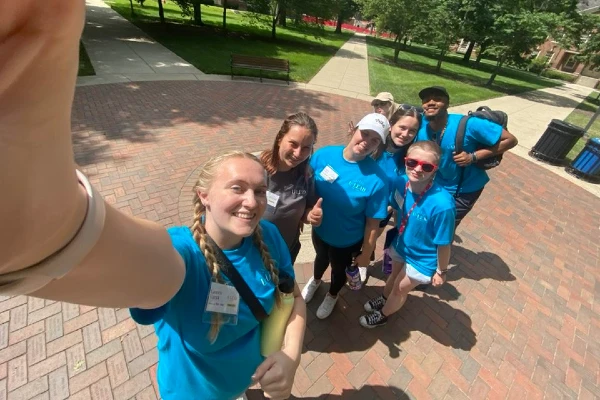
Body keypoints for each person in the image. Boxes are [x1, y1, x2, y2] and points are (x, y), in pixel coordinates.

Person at [0, 3, 305, 399]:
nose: (252, 200)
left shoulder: (269, 236)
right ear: (203, 195)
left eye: (261, 191)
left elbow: (293, 300)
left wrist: (291, 357)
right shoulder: (182, 252)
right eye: (237, 188)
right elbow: (121, 260)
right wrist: (43, 232)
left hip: (246, 384)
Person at [301, 113, 390, 319]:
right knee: (320, 257)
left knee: (339, 270)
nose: (366, 142)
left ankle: (332, 294)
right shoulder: (324, 155)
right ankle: (315, 281)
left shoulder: (377, 180)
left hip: (347, 241)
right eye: (364, 133)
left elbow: (372, 223)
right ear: (353, 129)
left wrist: (366, 253)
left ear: (379, 145)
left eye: (374, 140)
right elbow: (305, 186)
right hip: (320, 230)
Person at [359, 141, 455, 328]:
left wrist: (441, 271)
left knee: (400, 289)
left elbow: (444, 244)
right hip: (402, 244)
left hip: (423, 258)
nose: (418, 169)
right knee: (393, 277)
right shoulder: (401, 181)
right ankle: (384, 298)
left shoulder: (442, 205)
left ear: (435, 170)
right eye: (412, 162)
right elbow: (395, 206)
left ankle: (383, 315)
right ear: (405, 161)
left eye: (426, 166)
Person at [416, 86, 518, 228]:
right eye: (426, 100)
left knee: (443, 229)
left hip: (464, 190)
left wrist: (473, 156)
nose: (430, 102)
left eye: (437, 99)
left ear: (447, 104)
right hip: (435, 184)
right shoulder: (421, 125)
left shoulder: (468, 124)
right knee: (425, 221)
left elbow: (510, 140)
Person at [260, 112, 323, 263]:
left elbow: (307, 208)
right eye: (293, 144)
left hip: (287, 250)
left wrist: (311, 216)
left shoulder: (306, 175)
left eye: (306, 148)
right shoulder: (256, 169)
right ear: (280, 139)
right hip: (254, 252)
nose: (298, 153)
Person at [371, 106, 421, 272]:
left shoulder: (411, 158)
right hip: (359, 203)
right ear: (391, 124)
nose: (406, 134)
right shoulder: (373, 145)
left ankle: (363, 262)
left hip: (383, 210)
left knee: (371, 238)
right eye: (402, 127)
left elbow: (406, 188)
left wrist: (391, 207)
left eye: (412, 131)